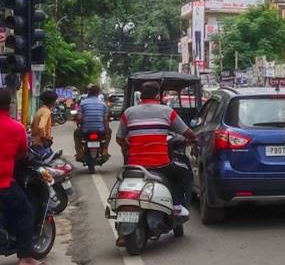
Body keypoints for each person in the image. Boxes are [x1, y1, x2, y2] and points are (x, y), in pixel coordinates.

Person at [116, 81, 196, 229]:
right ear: (158, 96)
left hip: (134, 166)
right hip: (161, 165)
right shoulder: (167, 112)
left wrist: (128, 148)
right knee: (183, 174)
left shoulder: (128, 113)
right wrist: (193, 139)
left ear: (141, 96)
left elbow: (120, 139)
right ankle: (178, 207)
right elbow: (187, 132)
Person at [0, 88, 49, 265]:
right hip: (3, 183)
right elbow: (22, 152)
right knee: (26, 211)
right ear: (10, 105)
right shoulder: (16, 128)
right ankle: (26, 258)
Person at [74, 85, 111, 161]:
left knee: (76, 133)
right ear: (98, 93)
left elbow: (79, 118)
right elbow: (105, 120)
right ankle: (105, 150)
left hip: (85, 130)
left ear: (89, 92)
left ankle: (79, 153)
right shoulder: (103, 104)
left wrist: (79, 123)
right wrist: (107, 130)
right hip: (100, 130)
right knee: (109, 132)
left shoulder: (83, 103)